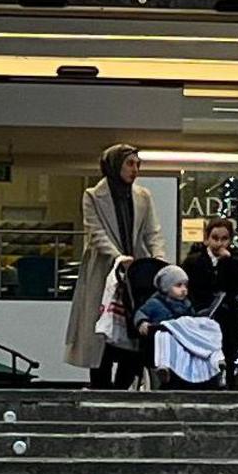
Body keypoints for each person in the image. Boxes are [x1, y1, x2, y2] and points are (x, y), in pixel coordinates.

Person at [63, 143, 158, 388]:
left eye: (138, 164)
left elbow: (152, 233)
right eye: (130, 164)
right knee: (101, 335)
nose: (135, 169)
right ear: (115, 166)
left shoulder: (142, 197)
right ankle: (101, 390)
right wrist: (117, 257)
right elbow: (96, 233)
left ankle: (121, 390)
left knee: (134, 332)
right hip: (103, 271)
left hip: (133, 273)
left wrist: (159, 262)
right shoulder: (93, 196)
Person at [185, 215, 238, 388]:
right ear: (207, 239)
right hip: (202, 316)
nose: (219, 243)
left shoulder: (235, 260)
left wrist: (229, 262)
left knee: (228, 357)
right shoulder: (194, 261)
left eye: (224, 239)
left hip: (227, 318)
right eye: (215, 238)